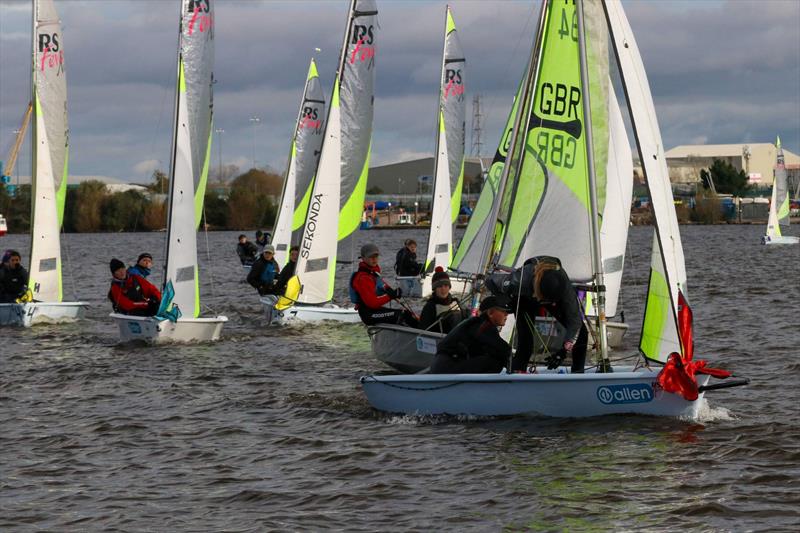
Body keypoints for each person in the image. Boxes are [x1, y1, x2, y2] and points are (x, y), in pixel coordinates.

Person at [484, 256, 588, 373]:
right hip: (525, 296)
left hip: (552, 294)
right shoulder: (519, 280)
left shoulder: (565, 291)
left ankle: (577, 374)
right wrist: (508, 301)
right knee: (526, 340)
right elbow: (490, 281)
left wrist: (564, 351)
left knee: (582, 334)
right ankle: (518, 371)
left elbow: (575, 324)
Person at [430, 295, 512, 374]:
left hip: (441, 366)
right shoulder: (483, 325)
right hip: (446, 366)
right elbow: (503, 349)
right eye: (503, 311)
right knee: (494, 363)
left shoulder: (476, 323)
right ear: (490, 313)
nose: (506, 314)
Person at [350, 243, 419, 327]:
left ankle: (423, 330)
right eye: (371, 257)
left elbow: (384, 286)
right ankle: (419, 334)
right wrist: (390, 296)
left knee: (407, 313)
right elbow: (372, 303)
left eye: (376, 256)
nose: (374, 259)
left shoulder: (373, 273)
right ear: (363, 258)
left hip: (375, 311)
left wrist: (394, 292)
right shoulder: (363, 278)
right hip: (368, 314)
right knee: (402, 315)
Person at [419, 267, 468, 333]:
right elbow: (424, 330)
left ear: (449, 287)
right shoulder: (430, 306)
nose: (443, 289)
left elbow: (466, 320)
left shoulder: (456, 301)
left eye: (446, 285)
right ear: (435, 289)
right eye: (440, 286)